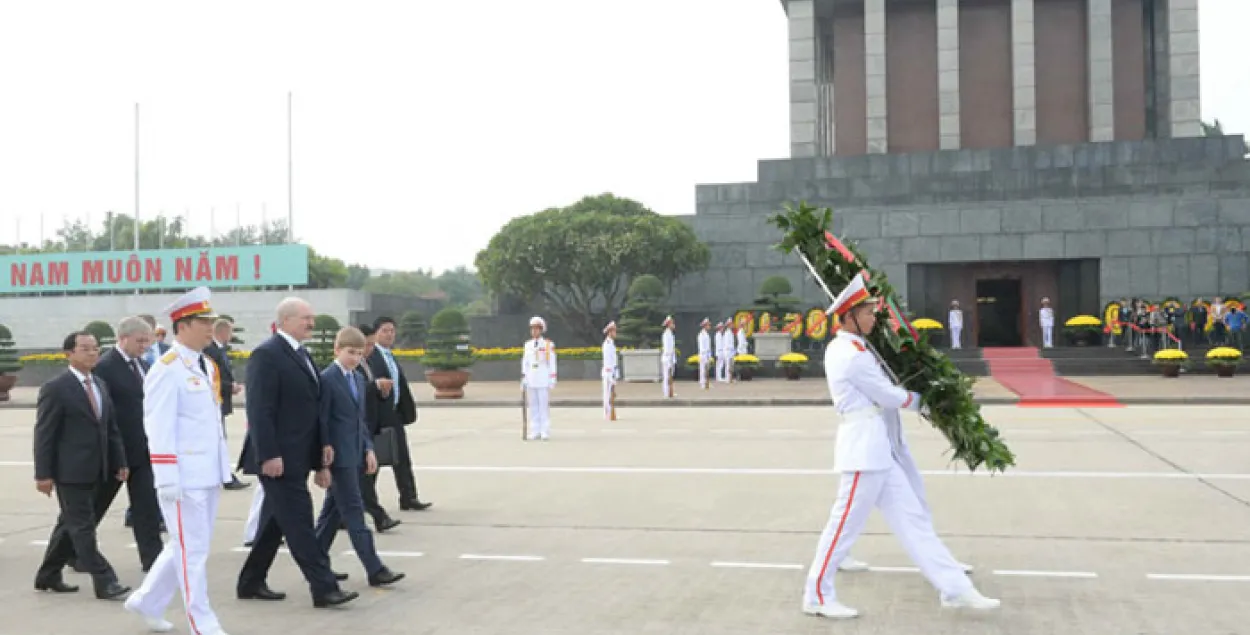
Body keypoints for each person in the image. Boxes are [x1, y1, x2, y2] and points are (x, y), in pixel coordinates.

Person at [802, 275, 999, 619]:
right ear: (849, 316)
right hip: (863, 452)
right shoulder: (849, 354)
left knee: (913, 522)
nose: (872, 318)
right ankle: (817, 593)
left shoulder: (856, 349)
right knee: (843, 526)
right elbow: (888, 395)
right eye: (866, 312)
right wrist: (931, 400)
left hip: (877, 450)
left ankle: (954, 588)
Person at [123, 287, 235, 633]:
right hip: (183, 478)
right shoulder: (167, 369)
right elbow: (157, 427)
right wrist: (167, 477)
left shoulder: (206, 365)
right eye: (204, 322)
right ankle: (202, 622)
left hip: (207, 473)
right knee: (193, 553)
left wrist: (222, 468)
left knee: (185, 546)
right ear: (183, 325)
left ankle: (146, 600)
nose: (210, 328)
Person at [236, 297, 359, 608]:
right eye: (305, 318)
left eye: (312, 317)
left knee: (275, 522)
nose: (311, 323)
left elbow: (313, 410)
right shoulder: (267, 355)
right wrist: (268, 455)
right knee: (300, 521)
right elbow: (260, 410)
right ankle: (324, 587)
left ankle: (250, 582)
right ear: (286, 320)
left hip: (300, 454)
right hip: (277, 458)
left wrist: (321, 452)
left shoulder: (301, 355)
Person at [33, 330, 131, 601]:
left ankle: (48, 574)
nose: (92, 353)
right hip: (69, 471)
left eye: (96, 348)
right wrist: (43, 474)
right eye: (85, 348)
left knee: (69, 525)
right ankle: (105, 580)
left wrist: (119, 461)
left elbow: (111, 428)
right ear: (69, 354)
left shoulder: (99, 384)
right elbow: (45, 434)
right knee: (82, 528)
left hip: (99, 468)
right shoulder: (56, 387)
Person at [312, 327, 406, 587]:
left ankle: (315, 563)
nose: (354, 358)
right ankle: (374, 569)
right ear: (337, 350)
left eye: (358, 353)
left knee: (331, 515)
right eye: (350, 352)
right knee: (354, 514)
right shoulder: (327, 379)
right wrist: (322, 460)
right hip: (337, 458)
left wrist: (368, 449)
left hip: (355, 453)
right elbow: (321, 422)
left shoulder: (356, 380)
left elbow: (360, 420)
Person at [87, 316, 164, 572]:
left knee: (147, 507)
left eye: (148, 341)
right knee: (94, 505)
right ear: (123, 338)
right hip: (115, 450)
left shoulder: (142, 364)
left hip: (142, 449)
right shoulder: (106, 366)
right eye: (140, 341)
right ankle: (70, 550)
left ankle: (152, 558)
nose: (145, 346)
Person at [368, 316, 431, 511]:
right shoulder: (371, 356)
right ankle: (366, 502)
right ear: (376, 333)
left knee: (402, 457)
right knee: (374, 462)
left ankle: (408, 497)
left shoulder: (390, 355)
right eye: (385, 330)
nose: (389, 334)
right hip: (378, 416)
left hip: (394, 414)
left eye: (392, 331)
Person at [355, 323, 401, 532]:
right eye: (368, 344)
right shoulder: (351, 365)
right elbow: (354, 390)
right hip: (357, 428)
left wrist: (381, 391)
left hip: (370, 424)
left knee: (359, 478)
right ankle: (379, 516)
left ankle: (339, 518)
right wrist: (375, 386)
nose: (371, 349)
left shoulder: (367, 363)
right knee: (363, 478)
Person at [205, 318, 250, 491]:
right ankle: (226, 477)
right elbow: (211, 377)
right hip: (215, 402)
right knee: (219, 440)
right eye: (230, 332)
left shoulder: (219, 349)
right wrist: (229, 386)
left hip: (221, 400)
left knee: (221, 439)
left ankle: (224, 476)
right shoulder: (211, 350)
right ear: (223, 332)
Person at [521, 316, 558, 440]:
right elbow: (525, 362)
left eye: (537, 329)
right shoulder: (527, 345)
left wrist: (552, 378)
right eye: (532, 329)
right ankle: (535, 430)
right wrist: (524, 377)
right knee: (533, 406)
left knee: (543, 406)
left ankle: (545, 430)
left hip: (543, 377)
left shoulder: (548, 344)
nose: (534, 331)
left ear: (541, 330)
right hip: (531, 377)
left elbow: (552, 362)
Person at [601, 321, 618, 420]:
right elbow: (607, 361)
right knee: (607, 393)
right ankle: (607, 413)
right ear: (610, 332)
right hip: (608, 372)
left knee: (611, 393)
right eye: (614, 331)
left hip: (612, 371)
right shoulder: (607, 344)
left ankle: (611, 411)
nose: (615, 333)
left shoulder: (611, 343)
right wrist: (610, 375)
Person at [660, 316, 676, 398]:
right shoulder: (666, 334)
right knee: (666, 376)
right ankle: (666, 393)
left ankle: (670, 392)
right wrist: (669, 358)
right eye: (672, 323)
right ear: (669, 324)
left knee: (670, 376)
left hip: (670, 357)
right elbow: (667, 348)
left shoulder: (670, 334)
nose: (673, 325)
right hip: (667, 358)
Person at [697, 318, 712, 389]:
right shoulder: (701, 334)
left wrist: (709, 355)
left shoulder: (706, 334)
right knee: (703, 369)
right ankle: (703, 383)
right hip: (703, 354)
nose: (709, 326)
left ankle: (706, 382)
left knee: (706, 369)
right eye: (708, 325)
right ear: (705, 326)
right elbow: (702, 346)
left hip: (707, 354)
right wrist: (705, 354)